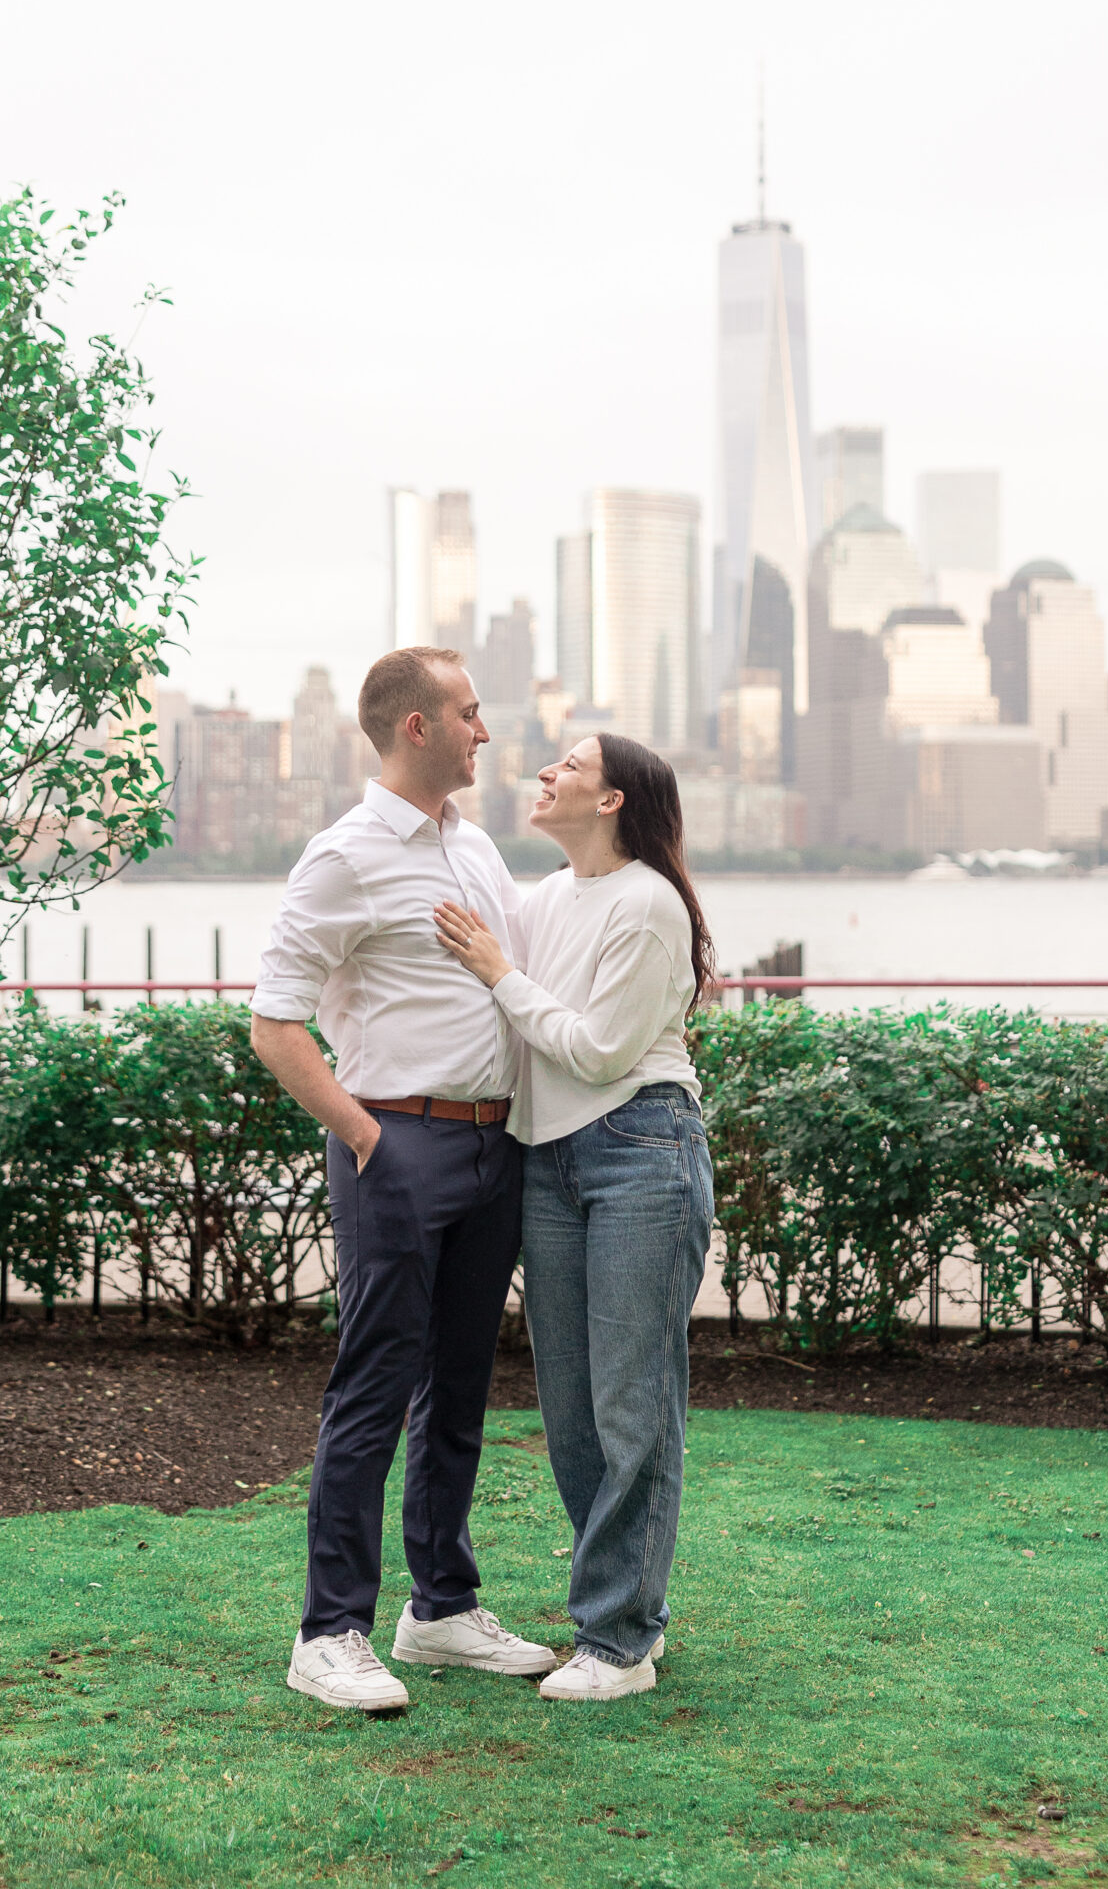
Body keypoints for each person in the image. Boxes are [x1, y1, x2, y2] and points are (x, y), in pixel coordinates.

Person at [250, 647, 557, 1713]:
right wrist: (365, 1136)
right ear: (417, 726)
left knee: (460, 1385)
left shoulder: (474, 848)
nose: (486, 730)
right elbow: (273, 1023)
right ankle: (328, 1630)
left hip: (492, 1146)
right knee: (375, 1386)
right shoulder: (344, 856)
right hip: (399, 1145)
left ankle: (441, 1612)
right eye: (471, 713)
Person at [433, 732, 715, 1703]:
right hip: (548, 1158)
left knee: (633, 1401)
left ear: (611, 801)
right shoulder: (544, 898)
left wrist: (496, 971)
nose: (545, 772)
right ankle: (629, 1611)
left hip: (641, 1148)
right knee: (573, 1413)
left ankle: (620, 1638)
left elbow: (595, 1051)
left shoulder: (648, 902)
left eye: (569, 766)